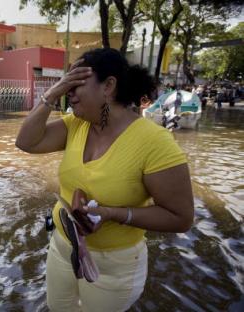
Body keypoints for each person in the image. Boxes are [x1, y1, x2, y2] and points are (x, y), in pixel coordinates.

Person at [15, 48, 194, 311]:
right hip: (63, 248)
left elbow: (181, 217)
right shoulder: (76, 124)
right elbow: (25, 142)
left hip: (114, 267)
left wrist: (112, 213)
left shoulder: (155, 142)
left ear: (108, 86)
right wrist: (52, 92)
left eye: (75, 83)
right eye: (67, 85)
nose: (68, 92)